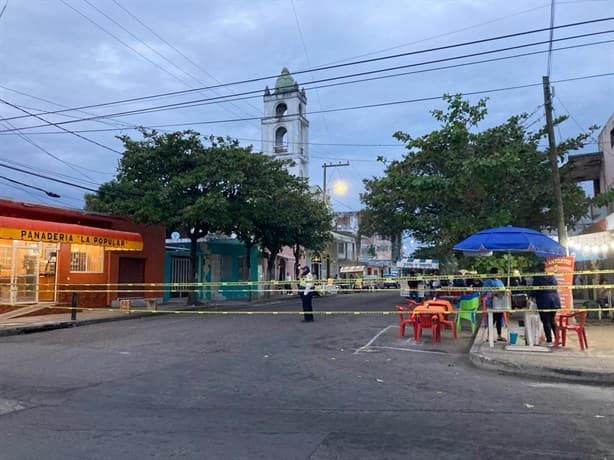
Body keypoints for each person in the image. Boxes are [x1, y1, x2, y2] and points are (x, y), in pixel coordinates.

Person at [531, 261, 561, 347]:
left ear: (537, 269)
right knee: (552, 320)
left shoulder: (537, 278)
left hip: (544, 301)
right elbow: (556, 285)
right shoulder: (551, 276)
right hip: (554, 301)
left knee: (546, 321)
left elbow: (534, 290)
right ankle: (557, 339)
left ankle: (549, 341)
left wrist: (531, 296)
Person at [483, 267, 506, 342]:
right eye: (497, 273)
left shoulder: (500, 281)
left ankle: (499, 335)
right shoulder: (488, 282)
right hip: (492, 303)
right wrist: (492, 293)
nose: (499, 274)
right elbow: (485, 292)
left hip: (500, 303)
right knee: (492, 320)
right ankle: (489, 336)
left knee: (499, 320)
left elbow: (503, 289)